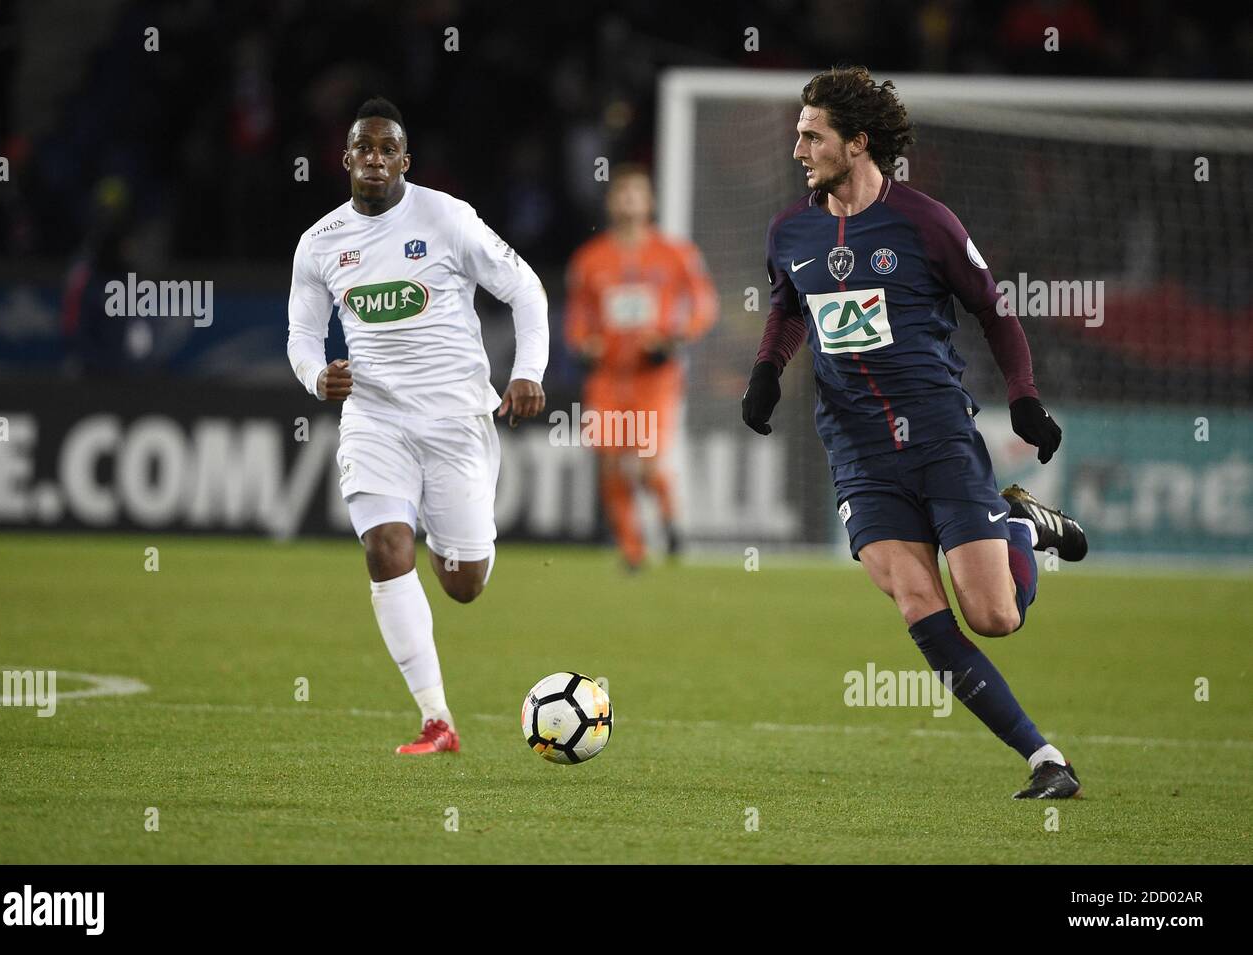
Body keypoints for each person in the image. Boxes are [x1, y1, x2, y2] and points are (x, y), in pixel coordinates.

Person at [741, 67, 1088, 799]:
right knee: (916, 604)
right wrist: (767, 370)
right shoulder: (790, 229)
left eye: (812, 135)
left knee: (993, 615)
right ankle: (1045, 758)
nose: (796, 147)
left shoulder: (926, 222)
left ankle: (1022, 525)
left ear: (858, 142)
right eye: (797, 133)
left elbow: (994, 312)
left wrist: (1024, 400)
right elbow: (789, 305)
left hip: (936, 433)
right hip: (857, 448)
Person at [287, 97, 548, 754]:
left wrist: (528, 372)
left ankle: (448, 531)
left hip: (457, 417)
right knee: (383, 548)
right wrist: (318, 377)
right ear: (345, 158)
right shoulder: (319, 243)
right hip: (374, 418)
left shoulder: (447, 218)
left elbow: (526, 289)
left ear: (405, 160)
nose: (374, 157)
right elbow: (301, 334)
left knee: (462, 584)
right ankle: (437, 719)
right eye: (362, 147)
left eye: (387, 148)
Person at [565, 166, 717, 569]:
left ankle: (669, 522)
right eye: (622, 193)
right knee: (613, 461)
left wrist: (673, 338)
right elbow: (577, 317)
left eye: (637, 192)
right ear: (611, 201)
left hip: (654, 377)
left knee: (648, 463)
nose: (629, 200)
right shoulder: (589, 259)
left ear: (650, 201)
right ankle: (632, 549)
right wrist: (584, 343)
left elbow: (703, 304)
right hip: (608, 377)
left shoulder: (675, 253)